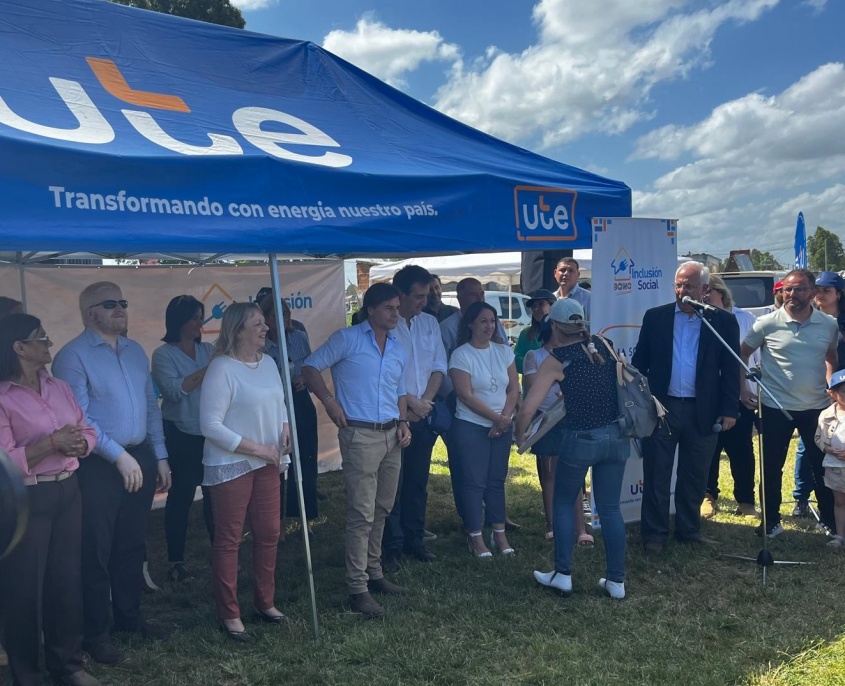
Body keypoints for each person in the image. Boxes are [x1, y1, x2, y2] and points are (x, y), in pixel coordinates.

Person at [52, 282, 171, 666]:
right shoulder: (72, 356)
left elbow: (151, 406)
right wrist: (118, 456)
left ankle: (129, 619)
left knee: (132, 543)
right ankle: (96, 634)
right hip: (97, 466)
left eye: (122, 302)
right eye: (109, 304)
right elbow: (79, 419)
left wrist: (160, 455)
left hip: (139, 456)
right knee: (96, 550)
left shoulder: (135, 350)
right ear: (90, 314)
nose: (120, 308)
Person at [0, 314, 100, 686]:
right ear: (19, 347)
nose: (49, 343)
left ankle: (67, 665)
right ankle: (26, 674)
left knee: (66, 579)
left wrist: (82, 444)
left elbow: (85, 427)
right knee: (24, 587)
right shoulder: (2, 397)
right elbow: (5, 461)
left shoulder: (58, 386)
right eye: (41, 337)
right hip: (26, 498)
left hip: (68, 489)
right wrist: (52, 443)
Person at [302, 283, 412, 618]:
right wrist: (329, 401)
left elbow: (400, 390)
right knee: (362, 512)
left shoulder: (397, 346)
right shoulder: (347, 339)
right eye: (389, 308)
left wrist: (403, 422)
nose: (396, 314)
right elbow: (309, 367)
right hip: (360, 434)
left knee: (382, 507)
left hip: (392, 433)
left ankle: (374, 573)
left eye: (397, 308)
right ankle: (357, 587)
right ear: (371, 309)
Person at [517, 299, 629, 598]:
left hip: (581, 438)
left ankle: (563, 573)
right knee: (610, 508)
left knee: (564, 502)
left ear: (554, 325)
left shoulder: (556, 359)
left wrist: (519, 434)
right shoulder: (604, 345)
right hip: (617, 435)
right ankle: (616, 581)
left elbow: (528, 408)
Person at [632, 262, 739, 553]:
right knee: (657, 473)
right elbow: (640, 363)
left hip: (703, 410)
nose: (682, 291)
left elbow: (732, 370)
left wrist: (729, 409)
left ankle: (689, 529)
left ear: (705, 289)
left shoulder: (721, 321)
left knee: (694, 474)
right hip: (662, 408)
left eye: (689, 286)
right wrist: (641, 403)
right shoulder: (656, 317)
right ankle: (654, 534)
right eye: (678, 285)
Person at [199, 302, 290, 642]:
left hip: (268, 460)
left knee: (269, 532)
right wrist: (256, 448)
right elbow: (210, 425)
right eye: (257, 324)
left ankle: (265, 602)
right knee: (229, 539)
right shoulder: (221, 368)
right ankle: (230, 612)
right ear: (238, 331)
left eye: (264, 323)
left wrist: (284, 428)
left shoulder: (268, 363)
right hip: (232, 464)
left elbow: (280, 402)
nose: (265, 328)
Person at [742, 268, 839, 538]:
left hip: (817, 407)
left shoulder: (828, 324)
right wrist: (742, 389)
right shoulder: (766, 323)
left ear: (812, 292)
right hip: (775, 407)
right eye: (788, 289)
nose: (792, 294)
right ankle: (770, 522)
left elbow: (831, 357)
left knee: (821, 465)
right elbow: (743, 354)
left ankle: (828, 520)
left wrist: (831, 387)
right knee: (771, 467)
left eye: (799, 289)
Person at [382, 266, 447, 572]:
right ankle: (391, 545)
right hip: (394, 414)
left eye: (427, 295)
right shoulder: (387, 325)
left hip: (423, 413)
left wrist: (425, 403)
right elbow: (384, 374)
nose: (425, 301)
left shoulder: (430, 323)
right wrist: (409, 404)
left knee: (418, 481)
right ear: (401, 294)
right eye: (419, 296)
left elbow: (439, 366)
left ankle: (414, 538)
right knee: (391, 485)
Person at [151, 295, 214, 583]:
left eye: (201, 316)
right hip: (180, 433)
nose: (200, 322)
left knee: (215, 495)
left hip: (210, 432)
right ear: (179, 321)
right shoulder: (163, 355)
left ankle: (221, 553)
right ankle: (176, 561)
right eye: (195, 318)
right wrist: (208, 370)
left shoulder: (208, 349)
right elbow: (174, 391)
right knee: (181, 496)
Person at [448, 301, 519, 558]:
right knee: (474, 482)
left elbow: (514, 388)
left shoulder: (504, 351)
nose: (489, 326)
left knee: (496, 481)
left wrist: (505, 418)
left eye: (492, 321)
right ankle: (475, 536)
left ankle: (499, 533)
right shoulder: (461, 355)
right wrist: (497, 419)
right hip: (471, 426)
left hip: (501, 426)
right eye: (483, 321)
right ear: (470, 324)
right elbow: (465, 395)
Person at [523, 315, 592, 545]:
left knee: (575, 474)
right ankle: (552, 524)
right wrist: (559, 379)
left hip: (571, 417)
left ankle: (580, 528)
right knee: (550, 474)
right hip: (546, 419)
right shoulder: (535, 356)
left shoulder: (575, 352)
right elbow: (532, 386)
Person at [701, 275, 760, 518]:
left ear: (721, 293)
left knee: (741, 448)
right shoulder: (698, 317)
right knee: (709, 448)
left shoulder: (745, 318)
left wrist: (747, 390)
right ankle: (707, 495)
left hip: (739, 393)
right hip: (707, 394)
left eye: (708, 290)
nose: (704, 296)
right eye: (701, 291)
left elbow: (753, 359)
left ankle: (746, 501)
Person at [259, 295, 319, 535]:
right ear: (265, 318)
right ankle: (277, 522)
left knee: (305, 461)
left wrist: (303, 379)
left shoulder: (299, 337)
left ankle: (305, 518)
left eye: (285, 314)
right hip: (274, 406)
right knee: (278, 464)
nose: (282, 319)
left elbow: (311, 368)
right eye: (276, 315)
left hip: (300, 401)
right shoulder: (261, 344)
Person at [792, 271, 845, 518]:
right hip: (817, 389)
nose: (820, 295)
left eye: (826, 290)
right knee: (809, 442)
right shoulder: (808, 317)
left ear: (838, 294)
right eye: (818, 290)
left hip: (841, 391)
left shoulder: (840, 322)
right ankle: (801, 497)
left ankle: (835, 500)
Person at [814, 369, 845, 548]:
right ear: (832, 393)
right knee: (839, 502)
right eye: (843, 391)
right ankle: (839, 536)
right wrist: (828, 449)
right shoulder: (826, 415)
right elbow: (818, 437)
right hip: (834, 465)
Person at [513, 289, 556, 373]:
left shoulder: (561, 332)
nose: (536, 309)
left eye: (541, 304)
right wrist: (535, 363)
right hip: (532, 379)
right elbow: (516, 361)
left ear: (552, 306)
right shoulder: (526, 333)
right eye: (533, 306)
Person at [553, 258, 591, 325]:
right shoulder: (551, 298)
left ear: (578, 275)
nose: (566, 274)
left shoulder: (589, 298)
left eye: (571, 271)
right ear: (555, 273)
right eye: (562, 270)